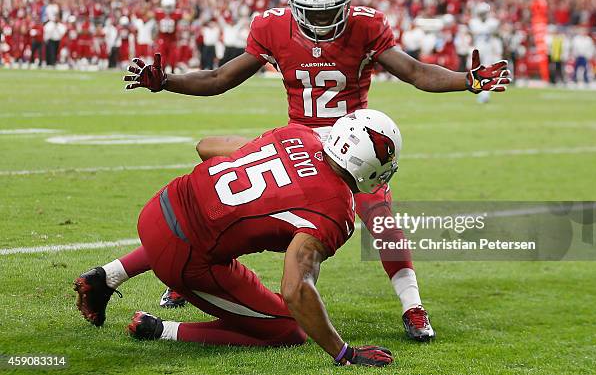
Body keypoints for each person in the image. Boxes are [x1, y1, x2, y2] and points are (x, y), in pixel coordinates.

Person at [122, 0, 512, 341]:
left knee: (381, 221)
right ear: (293, 2)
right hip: (298, 144)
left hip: (356, 147)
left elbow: (414, 72)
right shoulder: (273, 27)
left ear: (347, 0)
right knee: (243, 202)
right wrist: (167, 81)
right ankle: (194, 274)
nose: (323, 22)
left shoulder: (366, 25)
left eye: (331, 12)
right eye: (314, 13)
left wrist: (467, 80)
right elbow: (220, 78)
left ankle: (412, 306)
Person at [75, 110, 400, 367]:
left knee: (201, 227)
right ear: (369, 167)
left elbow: (206, 146)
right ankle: (163, 330)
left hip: (159, 206)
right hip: (184, 257)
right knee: (288, 328)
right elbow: (294, 290)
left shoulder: (297, 134)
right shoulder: (336, 210)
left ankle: (108, 276)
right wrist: (345, 353)